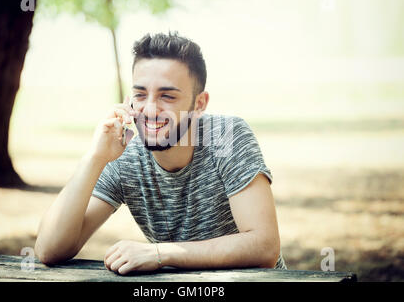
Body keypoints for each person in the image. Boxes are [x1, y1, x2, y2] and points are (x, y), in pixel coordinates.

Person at [35, 32, 286, 274]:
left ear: (199, 104)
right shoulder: (124, 155)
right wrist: (94, 158)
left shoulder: (226, 135)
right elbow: (49, 249)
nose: (151, 109)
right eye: (140, 95)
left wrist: (160, 253)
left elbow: (264, 247)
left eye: (167, 96)